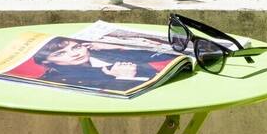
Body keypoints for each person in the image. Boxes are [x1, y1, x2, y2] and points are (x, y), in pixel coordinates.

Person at [32, 37, 181, 92]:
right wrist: (122, 79)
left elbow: (159, 54)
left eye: (76, 47)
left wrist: (118, 46)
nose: (75, 54)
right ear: (46, 61)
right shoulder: (56, 80)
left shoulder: (102, 52)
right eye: (60, 53)